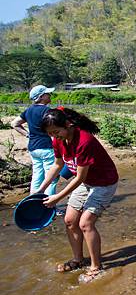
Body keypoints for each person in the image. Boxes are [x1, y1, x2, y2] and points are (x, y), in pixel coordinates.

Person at [37, 107, 119, 283]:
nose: (54, 136)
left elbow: (80, 177)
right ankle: (78, 259)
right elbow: (57, 165)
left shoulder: (84, 141)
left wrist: (57, 197)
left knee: (85, 223)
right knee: (69, 220)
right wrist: (41, 189)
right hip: (86, 182)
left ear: (68, 124)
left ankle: (96, 266)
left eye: (56, 131)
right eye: (51, 134)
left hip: (104, 183)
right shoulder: (58, 140)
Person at [10, 85, 59, 195]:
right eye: (47, 93)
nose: (50, 95)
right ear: (41, 96)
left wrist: (28, 135)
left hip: (33, 148)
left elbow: (14, 124)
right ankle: (49, 206)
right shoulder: (47, 111)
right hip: (46, 147)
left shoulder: (28, 111)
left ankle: (33, 203)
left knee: (37, 176)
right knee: (51, 178)